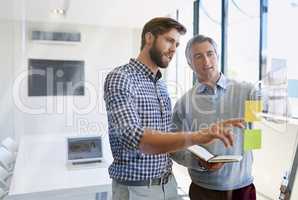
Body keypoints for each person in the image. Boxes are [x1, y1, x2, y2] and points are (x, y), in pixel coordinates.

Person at [104, 18, 244, 200]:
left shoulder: (161, 87)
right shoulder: (121, 78)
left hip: (169, 186)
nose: (173, 49)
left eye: (177, 44)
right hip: (136, 191)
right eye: (169, 41)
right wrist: (200, 135)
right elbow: (133, 137)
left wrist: (199, 161)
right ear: (149, 37)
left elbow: (167, 141)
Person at [171, 34, 257, 200]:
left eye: (210, 54)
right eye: (198, 56)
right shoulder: (184, 103)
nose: (206, 61)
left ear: (217, 56)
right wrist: (199, 163)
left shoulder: (247, 91)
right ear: (190, 63)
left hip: (242, 188)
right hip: (203, 190)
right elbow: (174, 147)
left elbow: (263, 119)